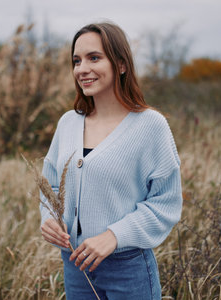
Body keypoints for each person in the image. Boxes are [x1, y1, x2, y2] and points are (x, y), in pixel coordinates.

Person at [39, 21, 182, 300]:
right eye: (76, 61)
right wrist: (49, 218)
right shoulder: (68, 123)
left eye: (94, 58)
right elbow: (50, 186)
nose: (82, 69)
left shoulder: (150, 125)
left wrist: (114, 236)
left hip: (128, 268)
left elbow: (166, 202)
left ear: (121, 64)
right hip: (75, 266)